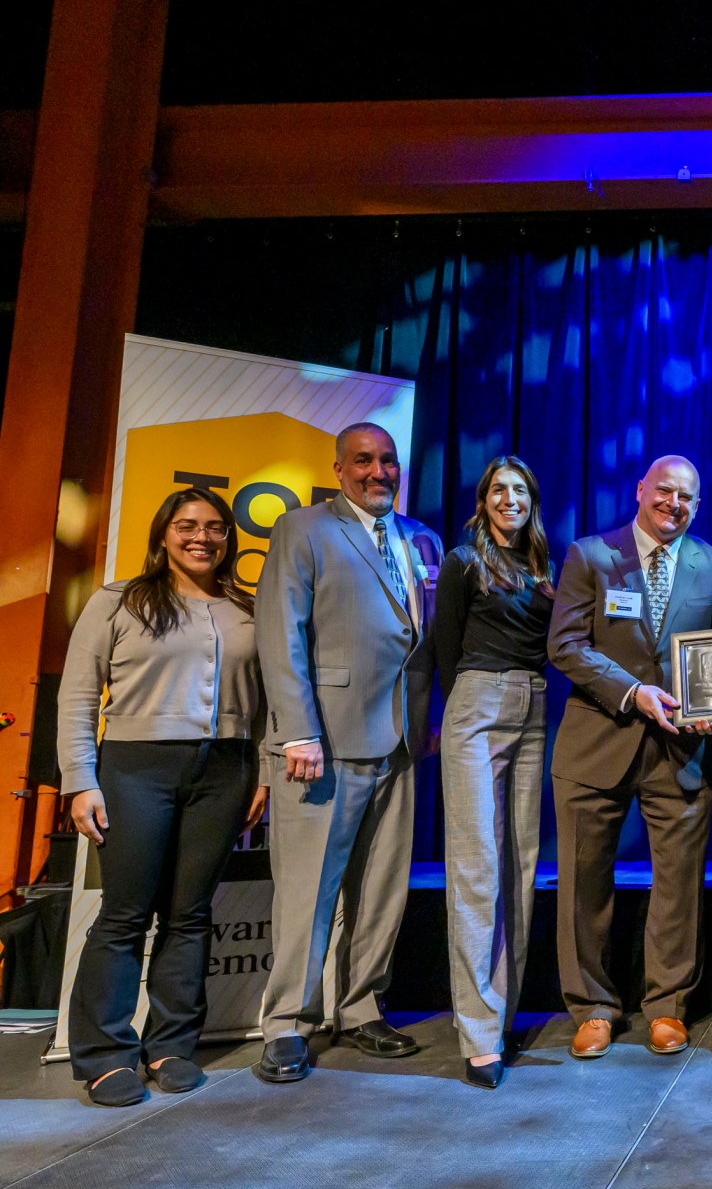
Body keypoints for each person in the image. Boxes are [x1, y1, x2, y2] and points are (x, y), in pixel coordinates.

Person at [56, 488, 267, 1107]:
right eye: (187, 525)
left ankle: (172, 1044)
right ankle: (104, 1054)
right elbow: (76, 696)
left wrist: (261, 775)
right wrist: (80, 778)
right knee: (124, 913)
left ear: (229, 538)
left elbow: (268, 703)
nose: (202, 537)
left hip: (224, 770)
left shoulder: (245, 607)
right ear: (164, 533)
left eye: (215, 527)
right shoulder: (118, 600)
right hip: (134, 767)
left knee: (191, 913)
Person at [255, 422, 443, 1083]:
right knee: (310, 891)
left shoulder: (422, 538)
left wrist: (428, 722)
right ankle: (287, 1022)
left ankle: (360, 1007)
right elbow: (282, 634)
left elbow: (423, 644)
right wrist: (297, 729)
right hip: (323, 744)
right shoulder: (303, 529)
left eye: (388, 460)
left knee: (382, 888)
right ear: (338, 469)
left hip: (398, 742)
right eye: (363, 460)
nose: (378, 471)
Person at [548, 454, 712, 1061]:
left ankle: (667, 1007)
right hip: (597, 741)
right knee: (583, 883)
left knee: (678, 885)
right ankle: (594, 1007)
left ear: (697, 505)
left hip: (679, 749)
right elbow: (565, 646)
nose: (673, 505)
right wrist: (633, 692)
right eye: (664, 492)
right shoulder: (589, 555)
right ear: (640, 490)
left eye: (686, 497)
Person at [431, 456, 555, 1090]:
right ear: (481, 501)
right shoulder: (461, 561)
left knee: (521, 864)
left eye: (521, 491)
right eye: (499, 490)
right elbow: (444, 651)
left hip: (534, 706)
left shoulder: (544, 565)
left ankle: (499, 1011)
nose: (511, 499)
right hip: (476, 705)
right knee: (477, 867)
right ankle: (478, 1034)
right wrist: (458, 714)